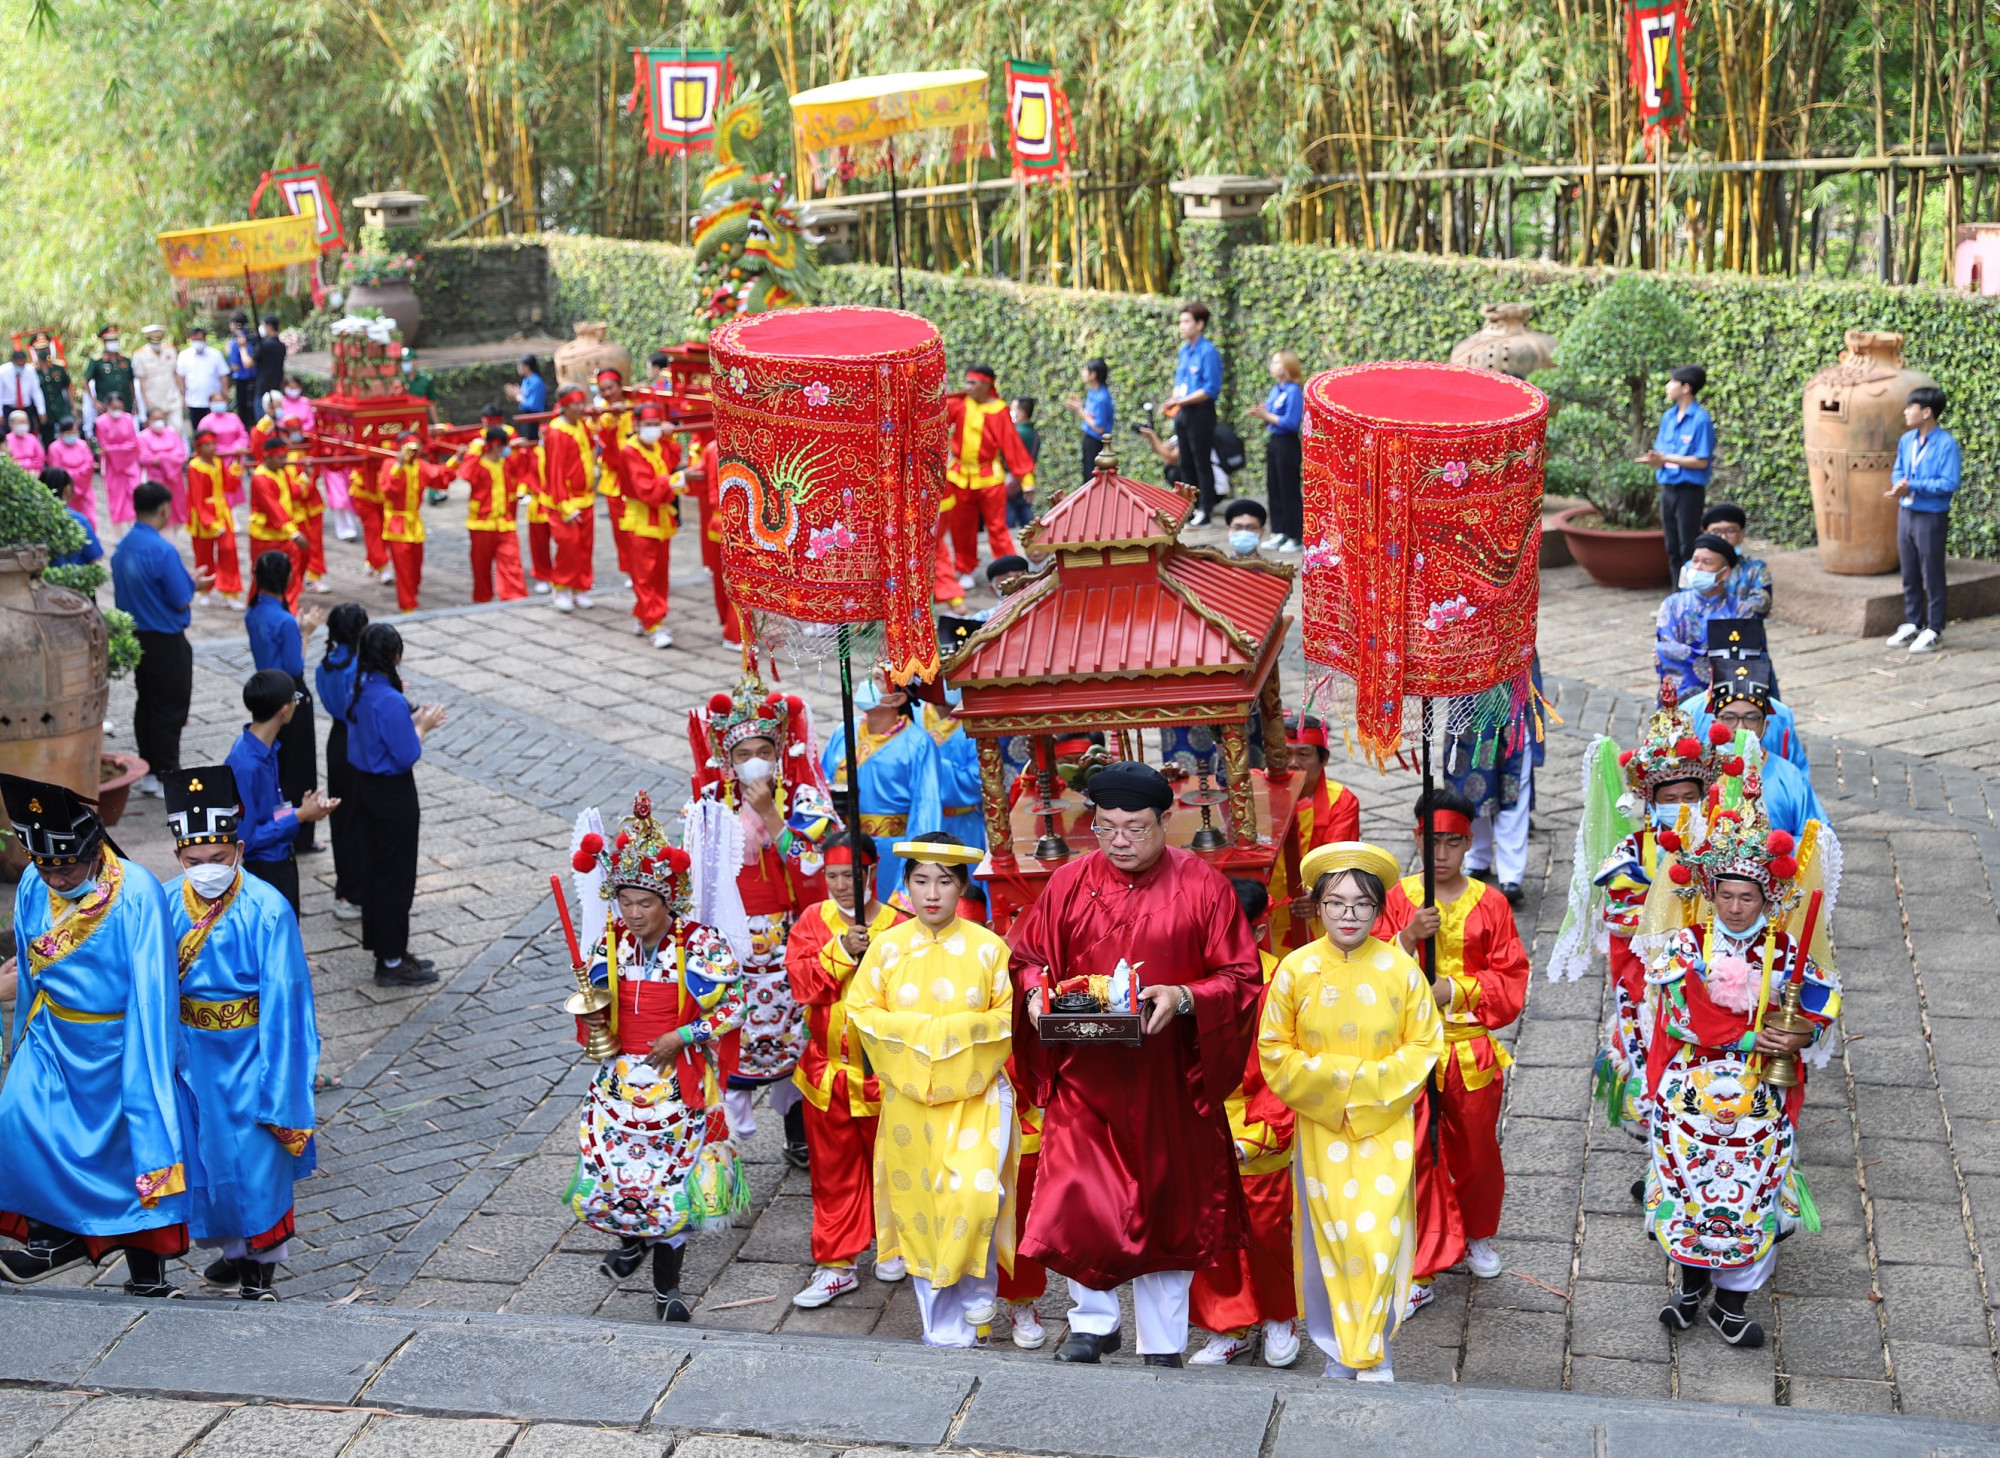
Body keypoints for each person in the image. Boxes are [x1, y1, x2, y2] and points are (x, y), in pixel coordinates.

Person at [1008, 759, 1265, 1366]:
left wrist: (1184, 997)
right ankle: (1092, 1323)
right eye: (1106, 828)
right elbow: (1025, 958)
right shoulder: (1069, 883)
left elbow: (1242, 975)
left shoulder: (1202, 886)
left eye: (1136, 828)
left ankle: (1162, 1341)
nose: (1120, 841)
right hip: (1086, 1075)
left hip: (1169, 1078)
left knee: (1166, 1205)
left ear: (1165, 822)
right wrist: (1037, 995)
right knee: (1077, 1196)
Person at [1644, 776, 1838, 1348]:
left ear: (1766, 898)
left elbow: (1824, 996)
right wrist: (1750, 1040)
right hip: (1689, 1095)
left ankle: (1733, 1302)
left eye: (1746, 897)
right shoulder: (1685, 943)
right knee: (1692, 1188)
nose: (1733, 907)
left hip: (1761, 1097)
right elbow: (1679, 1017)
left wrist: (1799, 1034)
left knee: (1752, 1192)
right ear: (1710, 893)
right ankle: (1688, 1287)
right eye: (1724, 895)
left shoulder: (1785, 949)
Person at [1260, 840, 1445, 1381]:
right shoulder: (1296, 970)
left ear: (1379, 910)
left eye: (1362, 904)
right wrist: (1344, 1086)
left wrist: (1361, 1088)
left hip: (1384, 1126)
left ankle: (1372, 1349)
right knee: (1328, 1237)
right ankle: (1340, 1348)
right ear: (1317, 907)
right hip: (1319, 1130)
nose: (1348, 914)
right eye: (1336, 902)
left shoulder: (1400, 970)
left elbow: (1425, 1046)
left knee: (1377, 1234)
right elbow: (1274, 1049)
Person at [0, 774, 189, 1296]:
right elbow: (31, 970)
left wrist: (150, 1064)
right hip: (52, 1035)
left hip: (120, 1041)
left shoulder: (137, 892)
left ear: (91, 851)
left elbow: (154, 987)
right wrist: (20, 1041)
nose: (56, 880)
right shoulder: (33, 885)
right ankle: (50, 1238)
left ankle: (147, 1277)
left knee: (133, 1148)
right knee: (19, 1117)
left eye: (66, 866)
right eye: (45, 866)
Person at [569, 791, 750, 1321]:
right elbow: (596, 1004)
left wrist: (687, 1034)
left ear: (668, 901)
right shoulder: (610, 943)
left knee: (674, 1186)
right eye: (624, 903)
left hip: (681, 1079)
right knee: (625, 1175)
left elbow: (735, 1003)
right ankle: (630, 1241)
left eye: (644, 903)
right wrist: (593, 1019)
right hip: (620, 1081)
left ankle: (667, 1292)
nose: (633, 914)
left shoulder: (703, 944)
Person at [845, 834, 1016, 1347]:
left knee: (975, 1191)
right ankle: (940, 1329)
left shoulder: (990, 948)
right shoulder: (887, 947)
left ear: (962, 886)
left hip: (978, 1093)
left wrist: (948, 1034)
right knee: (921, 1207)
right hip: (909, 1097)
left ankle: (978, 1292)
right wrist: (923, 1037)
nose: (932, 893)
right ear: (907, 886)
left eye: (944, 881)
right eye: (921, 880)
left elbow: (1006, 1018)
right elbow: (861, 1011)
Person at [162, 765, 321, 1301]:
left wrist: (282, 1083)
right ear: (178, 857)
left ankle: (260, 1270)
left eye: (218, 859)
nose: (206, 870)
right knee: (205, 1158)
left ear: (240, 850)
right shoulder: (161, 905)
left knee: (255, 1161)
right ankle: (235, 1251)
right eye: (194, 862)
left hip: (253, 1052)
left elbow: (287, 999)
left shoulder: (267, 909)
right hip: (189, 1055)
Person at [1377, 787, 1531, 1315]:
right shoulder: (1399, 898)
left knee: (1476, 1153)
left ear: (1469, 844)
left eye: (1451, 842)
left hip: (1469, 1053)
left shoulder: (1491, 904)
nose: (1439, 853)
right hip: (1409, 1052)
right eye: (1430, 840)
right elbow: (1367, 969)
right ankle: (1421, 1258)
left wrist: (1455, 991)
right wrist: (1404, 939)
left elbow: (1511, 979)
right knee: (1416, 1155)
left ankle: (1476, 1234)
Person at [1546, 680, 1724, 1137]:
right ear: (1650, 803)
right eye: (1669, 799)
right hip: (1648, 977)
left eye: (1690, 797)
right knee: (1652, 1053)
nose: (1680, 807)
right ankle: (1658, 1157)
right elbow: (1622, 917)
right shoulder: (1631, 852)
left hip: (1713, 973)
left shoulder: (1721, 846)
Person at [689, 679, 834, 1164]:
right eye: (743, 751)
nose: (754, 760)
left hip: (792, 939)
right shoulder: (710, 802)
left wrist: (772, 814)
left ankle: (799, 1131)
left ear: (779, 751)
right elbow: (700, 877)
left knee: (800, 1040)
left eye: (764, 750)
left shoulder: (803, 798)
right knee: (732, 1039)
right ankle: (720, 1148)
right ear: (727, 758)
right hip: (733, 942)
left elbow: (813, 866)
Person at [787, 833, 910, 1307]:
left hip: (888, 1078)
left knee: (893, 1166)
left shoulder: (902, 927)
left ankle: (893, 1242)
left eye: (850, 876)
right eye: (832, 876)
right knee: (833, 1172)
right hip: (828, 1075)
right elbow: (803, 985)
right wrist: (840, 950)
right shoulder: (811, 923)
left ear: (872, 873)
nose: (841, 886)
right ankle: (837, 1263)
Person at [1188, 878, 1301, 1369]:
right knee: (1206, 1232)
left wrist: (1255, 1136)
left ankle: (1280, 1315)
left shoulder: (1284, 983)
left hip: (1259, 1124)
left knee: (1268, 1230)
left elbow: (1291, 1070)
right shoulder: (1188, 981)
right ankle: (1227, 1323)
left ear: (1257, 933)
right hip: (1200, 1120)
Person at [347, 623, 448, 986]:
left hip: (366, 788)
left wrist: (411, 722)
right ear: (394, 655)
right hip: (392, 794)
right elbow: (406, 753)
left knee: (377, 871)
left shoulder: (360, 687)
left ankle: (388, 949)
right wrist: (423, 725)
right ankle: (391, 960)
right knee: (396, 877)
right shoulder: (388, 698)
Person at [113, 481, 211, 796]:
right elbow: (180, 598)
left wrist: (187, 582)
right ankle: (168, 772)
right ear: (165, 508)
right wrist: (192, 584)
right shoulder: (162, 549)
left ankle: (151, 771)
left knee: (148, 703)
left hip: (138, 637)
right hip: (166, 640)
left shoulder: (126, 545)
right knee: (170, 707)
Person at [820, 671, 946, 899]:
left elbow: (926, 808)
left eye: (878, 679)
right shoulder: (844, 730)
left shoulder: (917, 743)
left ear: (897, 699)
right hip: (845, 844)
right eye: (870, 675)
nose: (868, 681)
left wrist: (915, 868)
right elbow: (821, 784)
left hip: (892, 850)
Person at [225, 668, 335, 916]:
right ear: (285, 709)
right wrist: (299, 817)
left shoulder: (266, 748)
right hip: (265, 870)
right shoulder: (246, 764)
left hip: (282, 861)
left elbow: (269, 814)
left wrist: (303, 811)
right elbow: (247, 839)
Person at [1442, 656, 1546, 905]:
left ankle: (1512, 873)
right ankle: (1477, 857)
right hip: (1468, 690)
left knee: (1514, 780)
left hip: (1512, 688)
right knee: (1467, 782)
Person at [245, 552, 324, 857]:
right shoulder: (283, 620)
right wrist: (305, 632)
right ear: (288, 579)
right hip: (288, 696)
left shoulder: (253, 613)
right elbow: (294, 667)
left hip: (265, 692)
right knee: (299, 768)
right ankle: (301, 834)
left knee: (277, 765)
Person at [1268, 712, 1362, 951]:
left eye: (1303, 754)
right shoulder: (1261, 795)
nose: (1293, 763)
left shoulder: (1341, 801)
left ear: (1324, 759)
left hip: (1318, 913)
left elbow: (1338, 862)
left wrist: (1318, 896)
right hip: (1269, 912)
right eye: (1286, 753)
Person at [942, 366, 1034, 593]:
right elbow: (935, 421)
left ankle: (1010, 571)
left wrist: (1027, 479)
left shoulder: (998, 410)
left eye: (973, 383)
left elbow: (1012, 444)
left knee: (997, 527)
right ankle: (964, 569)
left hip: (989, 477)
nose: (968, 387)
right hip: (959, 476)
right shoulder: (960, 404)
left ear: (987, 385)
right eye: (967, 382)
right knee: (961, 526)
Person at [1885, 385, 1961, 654]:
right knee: (1910, 571)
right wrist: (1899, 487)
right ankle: (1913, 623)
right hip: (1906, 512)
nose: (1906, 412)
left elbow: (1950, 482)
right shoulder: (1906, 440)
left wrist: (1913, 485)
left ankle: (1935, 629)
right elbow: (1899, 471)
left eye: (1910, 408)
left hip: (1931, 516)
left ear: (1927, 412)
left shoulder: (1946, 444)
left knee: (1932, 572)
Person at [605, 402, 678, 645]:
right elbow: (646, 489)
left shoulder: (657, 446)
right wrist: (675, 480)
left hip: (661, 519)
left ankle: (644, 615)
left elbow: (671, 460)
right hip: (640, 519)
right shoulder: (630, 451)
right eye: (647, 425)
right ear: (636, 426)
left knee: (659, 574)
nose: (653, 429)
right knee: (644, 575)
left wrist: (668, 439)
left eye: (656, 424)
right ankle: (654, 624)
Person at [316, 603, 370, 924]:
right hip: (358, 741)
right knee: (362, 819)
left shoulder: (326, 666)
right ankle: (357, 890)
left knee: (342, 820)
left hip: (337, 741)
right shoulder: (360, 669)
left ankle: (346, 887)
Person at [1654, 533, 1755, 700]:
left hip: (1725, 701)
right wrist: (1713, 657)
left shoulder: (1741, 611)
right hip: (1678, 699)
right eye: (1695, 561)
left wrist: (1681, 653)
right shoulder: (1672, 605)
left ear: (1725, 573)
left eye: (1707, 562)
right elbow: (1664, 649)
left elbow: (1741, 660)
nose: (1698, 567)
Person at [1639, 364, 1714, 576]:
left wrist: (1666, 459)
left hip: (1689, 493)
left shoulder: (1701, 419)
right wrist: (1655, 460)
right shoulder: (1668, 417)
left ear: (1686, 387)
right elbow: (1663, 453)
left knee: (1688, 548)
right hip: (1668, 490)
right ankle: (1675, 601)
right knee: (1671, 547)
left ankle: (1691, 599)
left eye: (1672, 382)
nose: (1667, 386)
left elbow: (1701, 461)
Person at [458, 426, 530, 605]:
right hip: (482, 524)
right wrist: (474, 450)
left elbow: (524, 470)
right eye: (502, 446)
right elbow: (465, 474)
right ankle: (483, 600)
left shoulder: (505, 463)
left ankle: (515, 597)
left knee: (512, 560)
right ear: (493, 445)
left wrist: (521, 450)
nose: (504, 449)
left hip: (505, 522)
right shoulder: (478, 465)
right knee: (481, 566)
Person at [380, 432, 449, 614]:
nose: (415, 452)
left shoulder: (421, 466)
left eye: (417, 449)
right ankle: (407, 606)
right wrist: (398, 466)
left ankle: (412, 595)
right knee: (402, 569)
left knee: (416, 565)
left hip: (415, 522)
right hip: (396, 523)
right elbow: (388, 490)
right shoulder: (389, 465)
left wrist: (456, 460)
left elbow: (439, 477)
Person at [543, 386, 598, 612]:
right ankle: (561, 587)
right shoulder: (557, 432)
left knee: (585, 546)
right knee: (568, 545)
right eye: (575, 404)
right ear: (564, 405)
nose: (580, 407)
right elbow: (554, 472)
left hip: (585, 497)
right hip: (564, 500)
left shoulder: (582, 425)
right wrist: (564, 504)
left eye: (581, 403)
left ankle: (580, 588)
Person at [1168, 302, 1224, 524]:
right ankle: (1188, 507)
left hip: (1201, 412)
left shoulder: (1208, 351)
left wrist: (1181, 399)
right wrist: (1173, 400)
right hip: (1183, 412)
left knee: (1202, 461)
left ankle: (1205, 509)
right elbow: (1180, 382)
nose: (1182, 326)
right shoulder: (1184, 350)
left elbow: (1210, 389)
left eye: (1186, 321)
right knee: (1185, 462)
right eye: (1181, 321)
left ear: (1200, 324)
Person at [1249, 350, 1305, 551]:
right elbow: (1272, 415)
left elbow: (1291, 423)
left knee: (1289, 488)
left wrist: (1267, 415)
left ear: (1287, 367)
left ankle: (1295, 535)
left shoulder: (1293, 392)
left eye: (1277, 362)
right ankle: (1279, 531)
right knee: (1275, 487)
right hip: (1274, 441)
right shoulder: (1276, 389)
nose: (1272, 366)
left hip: (1288, 443)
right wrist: (1263, 415)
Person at [248, 437, 308, 613]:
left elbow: (293, 492)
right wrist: (294, 533)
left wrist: (305, 476)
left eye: (285, 456)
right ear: (268, 457)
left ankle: (289, 610)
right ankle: (258, 610)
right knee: (263, 575)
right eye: (280, 457)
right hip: (266, 536)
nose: (285, 461)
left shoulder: (281, 472)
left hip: (284, 533)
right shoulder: (260, 478)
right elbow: (274, 509)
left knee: (290, 574)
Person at [186, 427, 243, 607]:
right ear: (199, 447)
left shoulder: (218, 462)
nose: (212, 448)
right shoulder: (195, 467)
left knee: (229, 551)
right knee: (203, 554)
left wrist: (236, 464)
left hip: (222, 511)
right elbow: (197, 498)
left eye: (213, 444)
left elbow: (230, 485)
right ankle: (205, 590)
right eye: (207, 445)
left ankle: (230, 593)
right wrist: (209, 522)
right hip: (203, 515)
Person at [592, 368, 637, 583]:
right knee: (620, 529)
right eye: (603, 390)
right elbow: (605, 441)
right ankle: (630, 568)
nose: (608, 393)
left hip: (638, 475)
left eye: (611, 387)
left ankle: (645, 566)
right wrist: (612, 416)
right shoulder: (603, 413)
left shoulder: (637, 403)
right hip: (614, 479)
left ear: (621, 386)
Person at [1695, 504, 1771, 616]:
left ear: (1741, 534)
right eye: (1716, 532)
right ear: (1706, 533)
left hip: (1742, 631)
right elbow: (1687, 604)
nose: (1723, 537)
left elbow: (1762, 605)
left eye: (1731, 531)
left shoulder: (1755, 569)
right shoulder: (1693, 567)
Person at [96, 393, 143, 528]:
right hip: (112, 465)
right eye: (114, 407)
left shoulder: (128, 418)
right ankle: (118, 531)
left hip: (130, 462)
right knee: (116, 497)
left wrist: (114, 450)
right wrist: (118, 450)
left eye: (119, 407)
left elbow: (134, 442)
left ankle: (135, 525)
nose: (117, 410)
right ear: (107, 406)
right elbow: (104, 445)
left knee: (134, 492)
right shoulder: (100, 422)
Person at [40, 468, 103, 568]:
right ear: (67, 489)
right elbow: (96, 559)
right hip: (72, 580)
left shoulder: (34, 521)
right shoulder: (79, 520)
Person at [1064, 357, 1114, 482]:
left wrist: (1080, 410)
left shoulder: (1102, 397)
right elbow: (1091, 415)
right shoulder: (1093, 392)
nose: (1083, 373)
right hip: (1089, 439)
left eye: (1086, 370)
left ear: (1093, 375)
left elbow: (1099, 428)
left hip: (1097, 443)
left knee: (1092, 478)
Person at [177, 327, 230, 441]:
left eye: (199, 339)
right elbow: (180, 377)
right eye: (194, 340)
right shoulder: (184, 356)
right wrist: (182, 396)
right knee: (198, 432)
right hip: (194, 401)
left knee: (215, 430)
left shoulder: (215, 355)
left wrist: (225, 395)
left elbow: (224, 375)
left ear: (204, 339)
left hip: (214, 402)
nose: (197, 343)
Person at [138, 407, 190, 524]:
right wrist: (167, 458)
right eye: (155, 419)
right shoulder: (142, 437)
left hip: (175, 478)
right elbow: (144, 458)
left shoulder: (172, 432)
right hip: (155, 478)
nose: (159, 421)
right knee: (158, 508)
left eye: (161, 418)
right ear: (148, 421)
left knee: (178, 508)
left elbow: (181, 452)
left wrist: (161, 458)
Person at [134, 325, 185, 439]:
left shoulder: (170, 349)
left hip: (172, 396)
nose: (156, 344)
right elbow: (142, 381)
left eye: (158, 341)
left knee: (177, 428)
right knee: (157, 431)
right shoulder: (140, 354)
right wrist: (146, 402)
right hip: (154, 399)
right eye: (153, 341)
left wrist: (182, 394)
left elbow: (175, 373)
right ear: (148, 339)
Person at [85, 327, 141, 427]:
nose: (113, 343)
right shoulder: (97, 361)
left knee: (126, 428)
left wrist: (134, 401)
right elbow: (85, 381)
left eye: (115, 340)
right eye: (110, 341)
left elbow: (130, 381)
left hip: (125, 403)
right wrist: (95, 401)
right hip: (106, 404)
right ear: (104, 342)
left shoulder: (125, 360)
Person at [48, 419, 96, 530]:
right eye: (70, 432)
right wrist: (76, 476)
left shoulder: (83, 445)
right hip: (66, 491)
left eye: (75, 432)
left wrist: (74, 476)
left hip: (85, 492)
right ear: (61, 433)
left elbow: (89, 465)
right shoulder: (54, 448)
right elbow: (58, 471)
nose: (73, 435)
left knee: (89, 521)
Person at [1007, 397, 1041, 532]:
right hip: (1026, 483)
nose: (1010, 412)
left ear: (1021, 413)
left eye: (1012, 409)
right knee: (1028, 526)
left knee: (1008, 528)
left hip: (1011, 483)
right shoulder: (1034, 434)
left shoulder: (1015, 434)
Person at [34, 337, 75, 444]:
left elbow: (67, 388)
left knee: (68, 434)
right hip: (45, 411)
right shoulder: (32, 370)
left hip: (61, 408)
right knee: (48, 439)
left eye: (45, 348)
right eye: (39, 349)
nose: (43, 352)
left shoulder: (58, 367)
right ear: (35, 351)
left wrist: (72, 407)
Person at [0, 348, 47, 435]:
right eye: (18, 364)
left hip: (26, 408)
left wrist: (41, 411)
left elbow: (36, 391)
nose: (21, 367)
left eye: (23, 364)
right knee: (8, 434)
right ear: (13, 361)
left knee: (28, 433)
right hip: (9, 408)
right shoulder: (2, 371)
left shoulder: (30, 370)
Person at [226, 314, 260, 430]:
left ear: (235, 324)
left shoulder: (236, 342)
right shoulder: (254, 339)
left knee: (243, 412)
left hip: (242, 381)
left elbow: (235, 366)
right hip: (257, 380)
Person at [253, 316, 287, 404]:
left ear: (269, 326)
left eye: (262, 325)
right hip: (276, 388)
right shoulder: (281, 346)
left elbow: (248, 363)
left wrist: (242, 348)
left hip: (263, 389)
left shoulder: (264, 345)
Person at [514, 354, 548, 439]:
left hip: (534, 419)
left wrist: (518, 396)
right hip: (526, 418)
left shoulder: (536, 382)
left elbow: (533, 405)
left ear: (527, 367)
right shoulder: (525, 381)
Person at [7, 408, 46, 474]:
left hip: (33, 472)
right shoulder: (6, 440)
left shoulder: (33, 438)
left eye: (25, 422)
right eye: (20, 422)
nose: (23, 424)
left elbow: (40, 457)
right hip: (14, 473)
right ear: (11, 424)